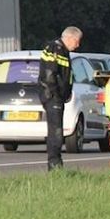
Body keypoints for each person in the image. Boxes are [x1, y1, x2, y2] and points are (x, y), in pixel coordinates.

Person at [39, 26, 83, 170]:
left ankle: (56, 163)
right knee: (55, 132)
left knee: (57, 131)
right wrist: (54, 93)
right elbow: (49, 73)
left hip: (57, 97)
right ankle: (54, 165)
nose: (78, 45)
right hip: (52, 97)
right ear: (70, 37)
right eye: (77, 41)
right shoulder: (54, 48)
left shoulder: (63, 51)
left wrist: (66, 92)